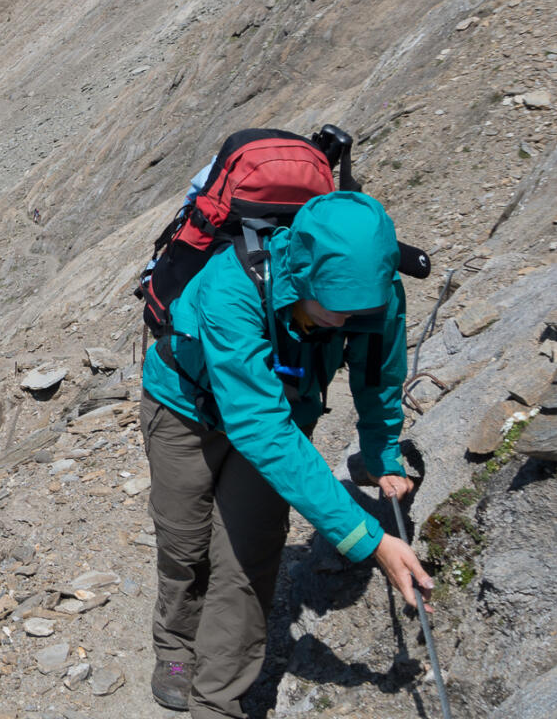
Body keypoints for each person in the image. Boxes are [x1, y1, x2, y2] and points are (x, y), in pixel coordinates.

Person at [138, 191, 433, 716]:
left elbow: (377, 376)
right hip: (186, 408)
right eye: (335, 311)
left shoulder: (376, 293)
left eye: (359, 312)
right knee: (184, 544)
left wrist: (383, 452)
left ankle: (216, 702)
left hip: (280, 416)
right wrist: (369, 541)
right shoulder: (233, 287)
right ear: (301, 277)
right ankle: (176, 650)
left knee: (245, 560)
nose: (345, 323)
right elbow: (259, 426)